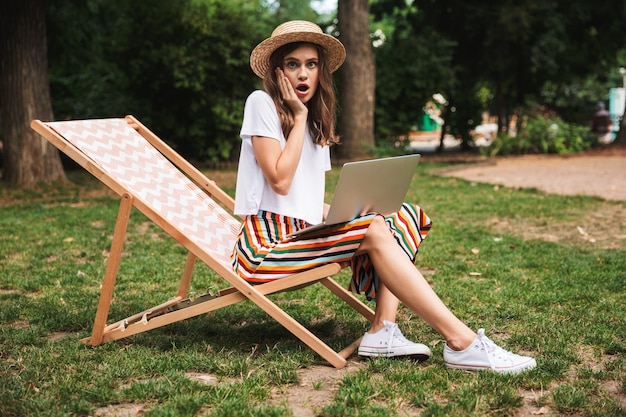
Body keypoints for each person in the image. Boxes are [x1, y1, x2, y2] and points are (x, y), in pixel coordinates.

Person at [231, 20, 536, 374]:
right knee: (374, 230)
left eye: (311, 64)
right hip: (265, 248)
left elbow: (305, 201)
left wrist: (350, 211)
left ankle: (382, 330)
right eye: (293, 64)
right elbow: (280, 183)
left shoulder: (316, 121)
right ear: (277, 70)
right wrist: (298, 118)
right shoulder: (262, 104)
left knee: (399, 215)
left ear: (321, 71)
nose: (303, 74)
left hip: (302, 232)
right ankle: (462, 342)